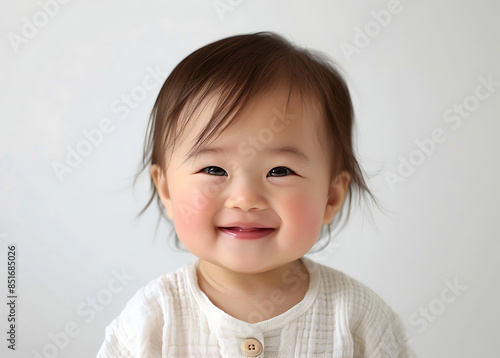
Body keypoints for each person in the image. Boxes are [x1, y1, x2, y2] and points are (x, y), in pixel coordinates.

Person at [97, 31, 416, 357]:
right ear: (165, 189)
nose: (245, 198)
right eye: (214, 170)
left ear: (331, 198)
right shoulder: (150, 321)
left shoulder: (358, 321)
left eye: (279, 171)